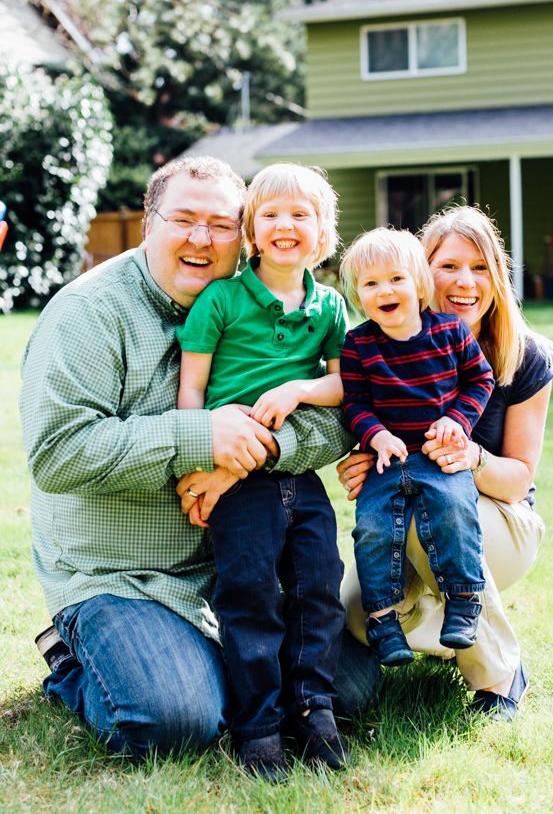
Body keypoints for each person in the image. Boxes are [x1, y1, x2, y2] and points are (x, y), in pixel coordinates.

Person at [21, 155, 380, 762]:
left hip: (241, 558)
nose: (201, 238)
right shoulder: (88, 313)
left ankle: (212, 664)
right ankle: (74, 655)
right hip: (123, 576)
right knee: (178, 721)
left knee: (352, 689)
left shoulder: (266, 303)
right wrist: (200, 436)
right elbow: (58, 453)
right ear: (148, 223)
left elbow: (338, 410)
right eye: (184, 219)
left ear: (242, 236)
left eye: (220, 224)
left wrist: (247, 453)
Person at [338, 206, 553, 721]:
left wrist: (472, 455)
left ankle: (501, 673)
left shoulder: (523, 358)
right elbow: (360, 409)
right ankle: (447, 631)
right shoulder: (381, 345)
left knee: (429, 509)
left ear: (497, 279)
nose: (465, 282)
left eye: (480, 268)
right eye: (449, 265)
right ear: (419, 271)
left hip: (502, 520)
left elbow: (519, 478)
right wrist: (363, 457)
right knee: (354, 614)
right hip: (408, 494)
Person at [175, 163, 350, 779]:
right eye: (270, 214)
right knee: (249, 593)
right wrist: (204, 464)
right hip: (235, 479)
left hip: (298, 476)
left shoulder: (330, 306)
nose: (285, 226)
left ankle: (315, 709)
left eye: (301, 214)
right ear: (250, 229)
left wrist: (299, 388)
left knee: (318, 586)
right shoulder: (221, 299)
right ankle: (260, 727)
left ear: (323, 232)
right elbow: (190, 396)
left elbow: (343, 384)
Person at [338, 228, 494, 667]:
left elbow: (480, 380)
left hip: (438, 456)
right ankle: (384, 621)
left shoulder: (449, 332)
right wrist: (375, 435)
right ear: (357, 296)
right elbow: (355, 403)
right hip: (387, 461)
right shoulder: (359, 344)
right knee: (372, 530)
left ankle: (464, 601)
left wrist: (456, 421)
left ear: (420, 285)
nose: (384, 290)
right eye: (370, 284)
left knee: (456, 512)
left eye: (396, 279)